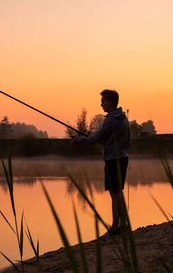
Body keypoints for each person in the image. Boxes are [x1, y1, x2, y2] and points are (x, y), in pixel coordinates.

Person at [72, 89, 130, 236]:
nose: (101, 104)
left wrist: (79, 140)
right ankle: (123, 225)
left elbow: (96, 138)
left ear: (111, 102)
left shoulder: (111, 120)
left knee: (114, 194)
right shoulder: (123, 118)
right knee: (118, 193)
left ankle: (115, 227)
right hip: (123, 158)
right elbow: (110, 138)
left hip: (113, 160)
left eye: (103, 101)